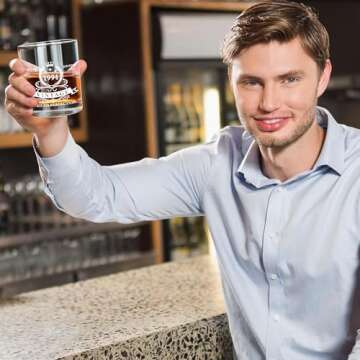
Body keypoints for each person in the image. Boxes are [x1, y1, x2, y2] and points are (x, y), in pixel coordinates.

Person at [4, 0, 360, 359]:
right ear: (231, 83)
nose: (269, 103)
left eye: (289, 80)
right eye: (252, 82)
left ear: (323, 77)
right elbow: (96, 196)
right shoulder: (216, 164)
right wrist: (50, 132)